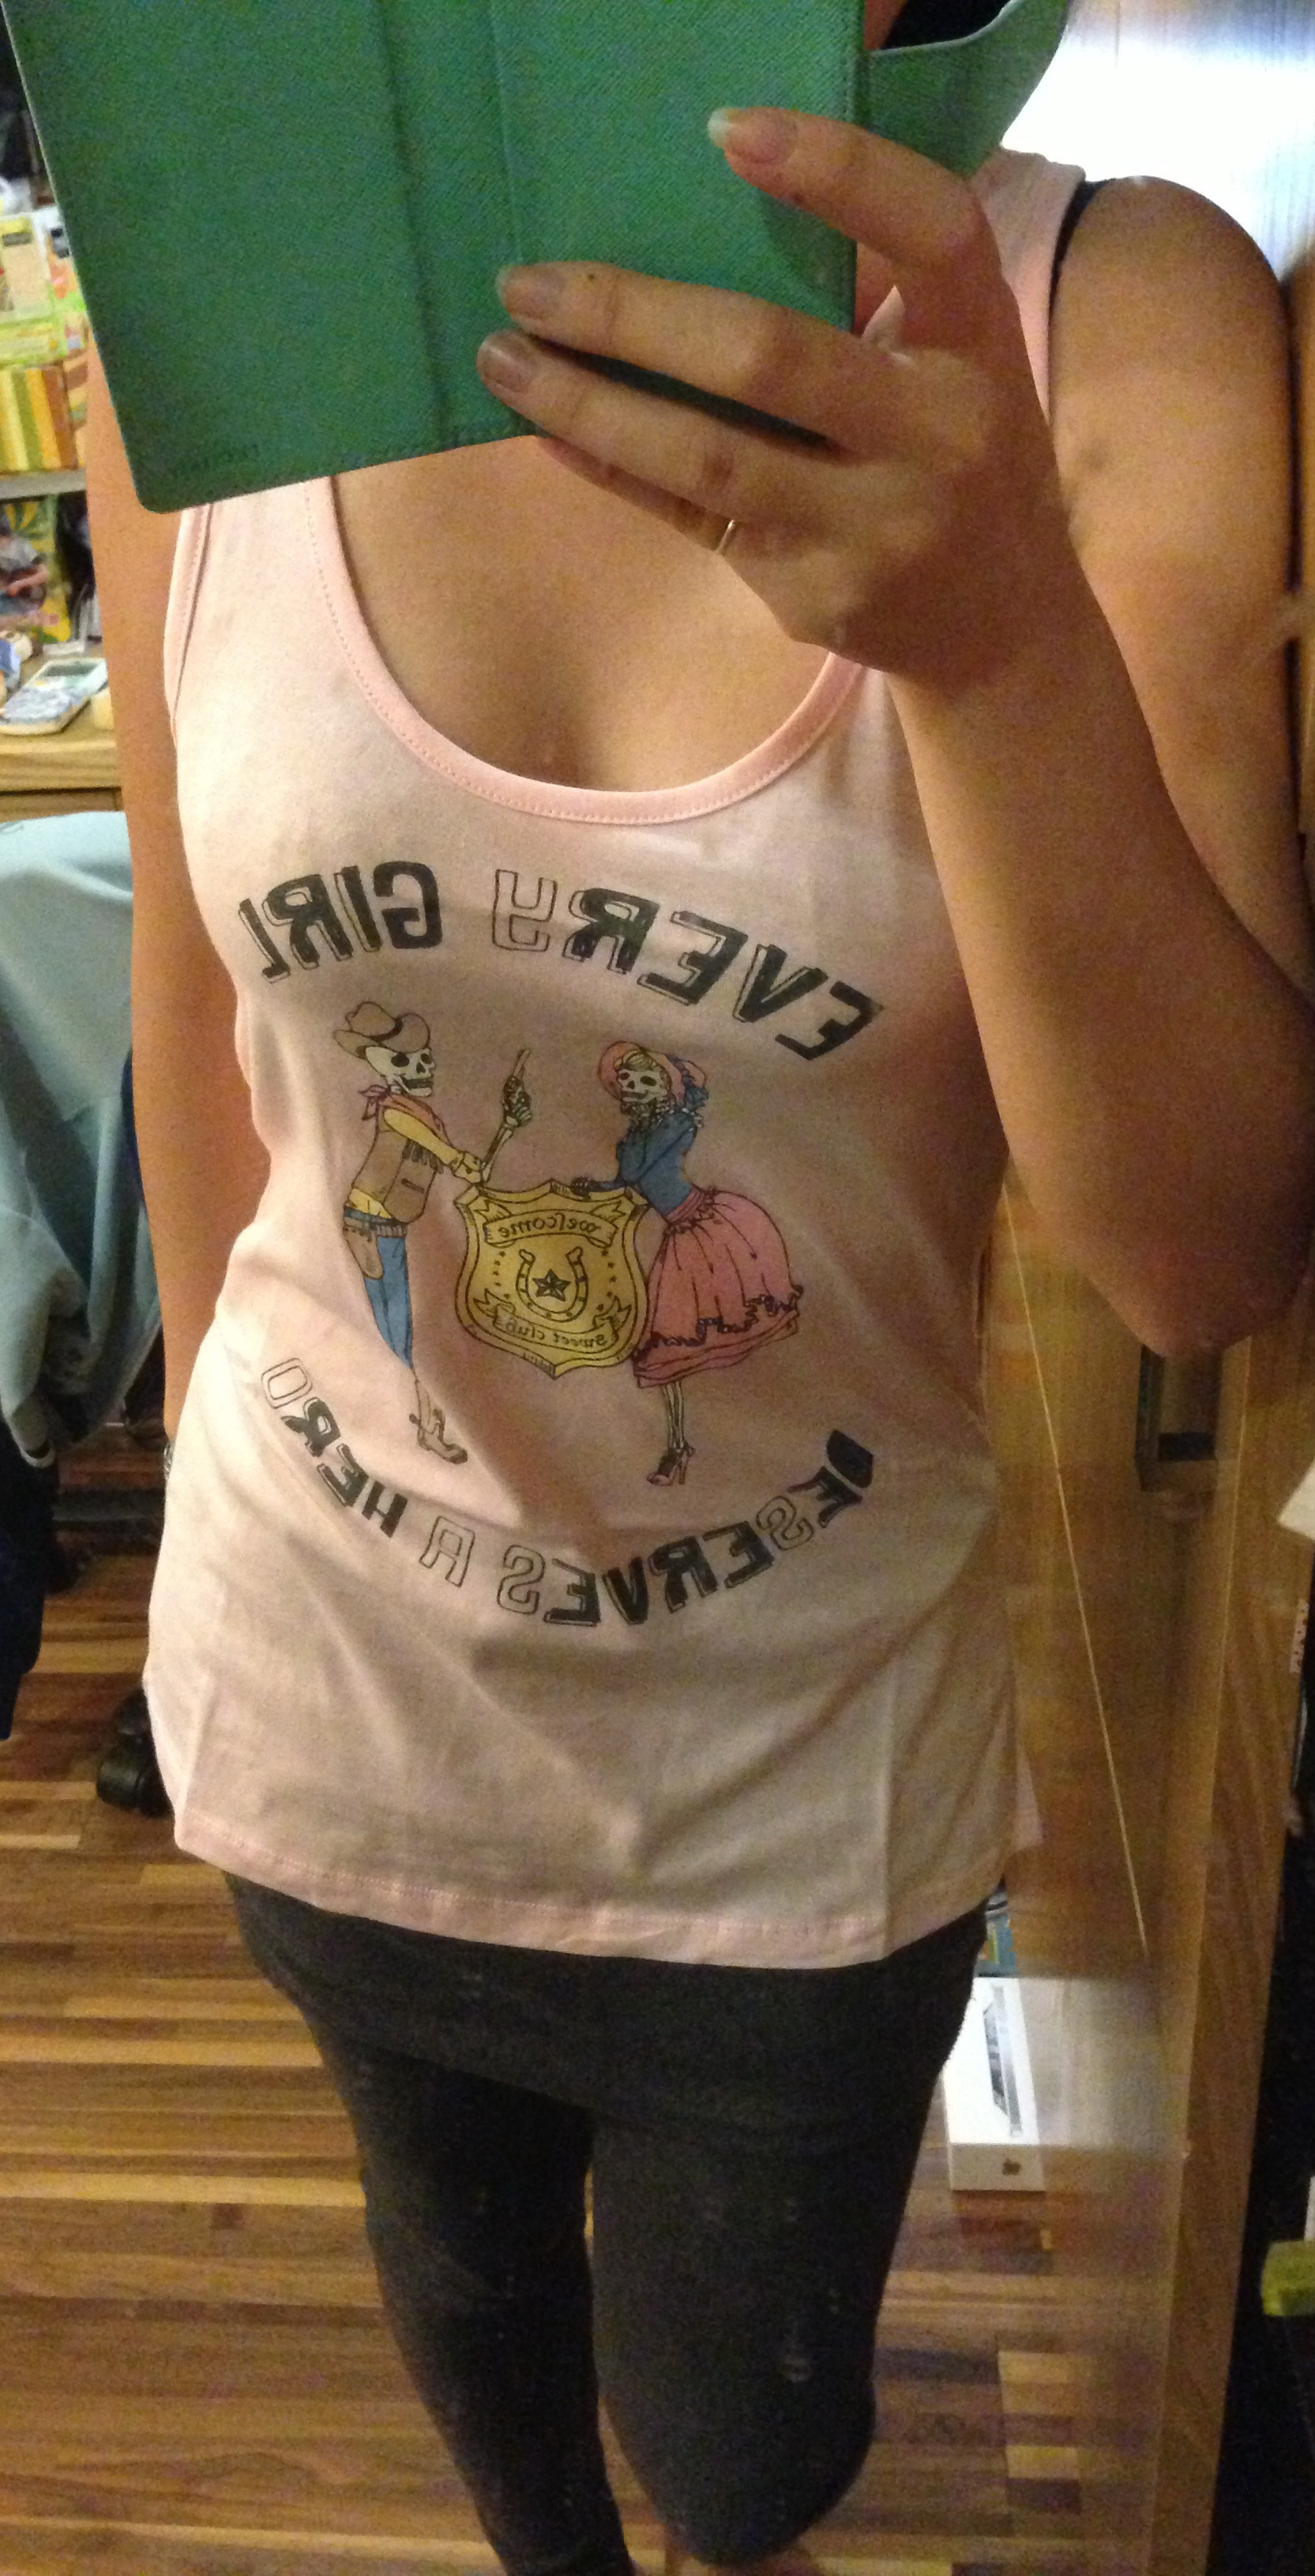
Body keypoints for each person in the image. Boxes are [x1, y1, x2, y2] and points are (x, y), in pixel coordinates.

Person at [89, 0, 1315, 2567]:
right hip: (325, 1691)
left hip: (795, 1781)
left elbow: (1194, 1262)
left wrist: (997, 644)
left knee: (748, 2445)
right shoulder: (219, 297)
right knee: (463, 2304)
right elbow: (194, 1009)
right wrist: (207, 1496)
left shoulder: (1121, 316)